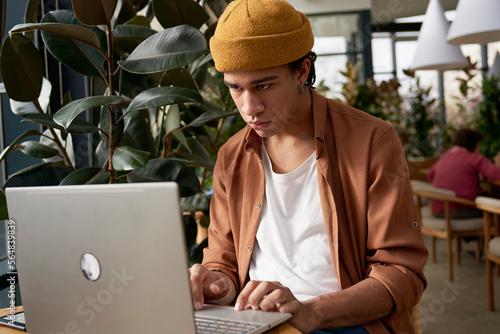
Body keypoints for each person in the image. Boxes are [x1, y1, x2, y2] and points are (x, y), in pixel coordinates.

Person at [189, 1, 428, 333]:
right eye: (235, 88)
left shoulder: (373, 141)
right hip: (255, 321)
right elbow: (224, 263)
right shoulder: (232, 156)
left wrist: (311, 311)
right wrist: (215, 285)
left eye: (263, 85)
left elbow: (402, 274)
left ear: (301, 71)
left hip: (341, 322)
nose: (250, 108)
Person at [428, 128, 500, 218]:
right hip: (462, 209)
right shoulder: (474, 158)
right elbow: (496, 174)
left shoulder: (444, 157)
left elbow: (430, 174)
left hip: (438, 211)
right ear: (474, 144)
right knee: (494, 205)